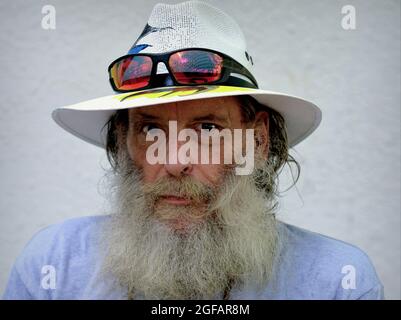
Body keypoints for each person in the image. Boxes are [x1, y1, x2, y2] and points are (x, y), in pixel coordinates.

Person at [3, 1, 383, 300]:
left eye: (206, 129)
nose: (173, 162)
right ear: (125, 143)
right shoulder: (53, 266)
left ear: (258, 141)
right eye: (150, 129)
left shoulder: (337, 282)